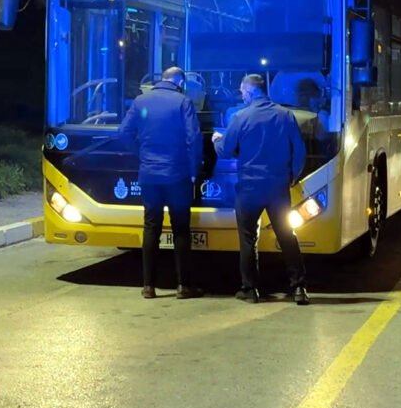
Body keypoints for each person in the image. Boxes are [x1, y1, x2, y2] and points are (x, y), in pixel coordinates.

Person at [212, 74, 309, 305]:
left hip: (249, 189)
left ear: (250, 91)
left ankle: (250, 290)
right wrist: (292, 178)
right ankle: (299, 289)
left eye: (242, 91)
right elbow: (300, 152)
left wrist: (217, 139)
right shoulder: (286, 116)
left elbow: (225, 151)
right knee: (287, 236)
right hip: (277, 188)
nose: (242, 95)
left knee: (247, 239)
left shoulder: (240, 117)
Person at [117, 66, 204, 300]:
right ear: (180, 82)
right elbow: (193, 138)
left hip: (149, 175)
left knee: (151, 228)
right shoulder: (183, 102)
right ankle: (183, 286)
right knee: (181, 230)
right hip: (177, 175)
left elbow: (123, 134)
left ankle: (148, 286)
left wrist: (141, 155)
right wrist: (194, 169)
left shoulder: (141, 101)